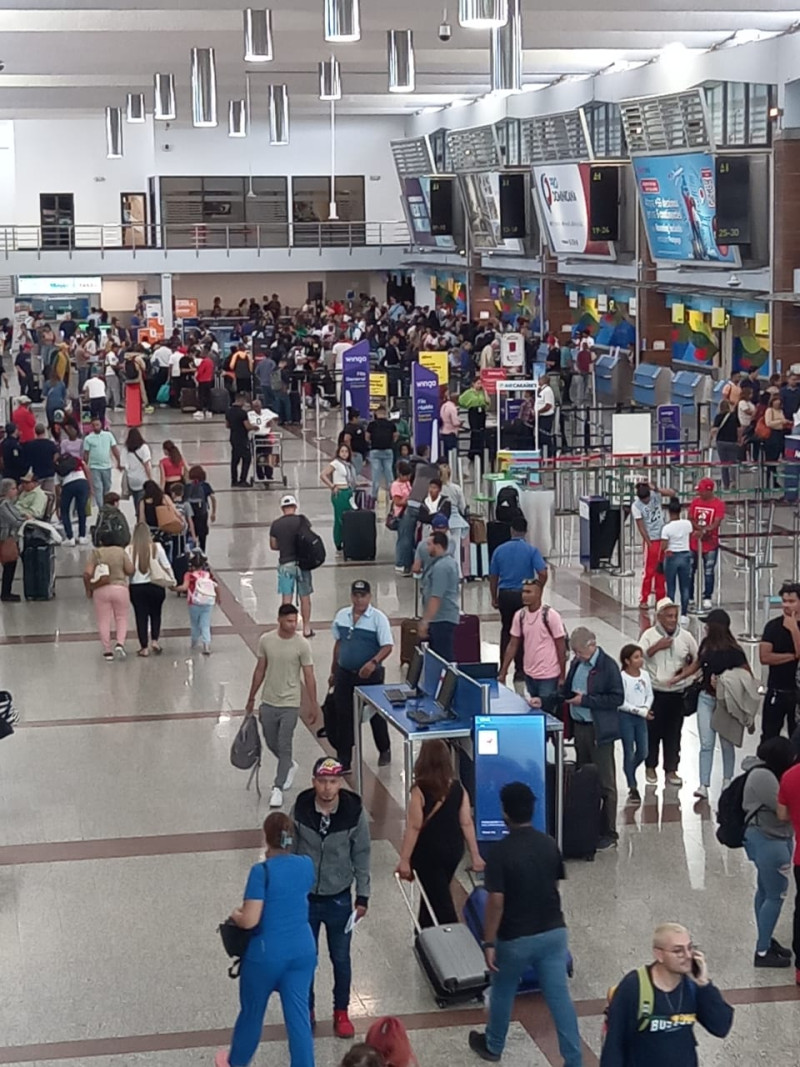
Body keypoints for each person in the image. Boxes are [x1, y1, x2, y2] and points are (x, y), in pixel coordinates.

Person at [467, 782, 581, 1067]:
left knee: (503, 987)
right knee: (559, 999)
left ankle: (493, 1045)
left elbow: (496, 902)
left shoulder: (501, 853)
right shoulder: (549, 843)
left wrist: (489, 941)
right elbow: (553, 884)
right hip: (553, 933)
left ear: (505, 812)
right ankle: (574, 1059)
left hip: (515, 938)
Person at [214, 812, 316, 1067]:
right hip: (302, 952)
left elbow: (250, 919)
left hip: (265, 955)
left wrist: (235, 914)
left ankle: (236, 1061)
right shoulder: (306, 864)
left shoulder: (261, 872)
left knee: (252, 1012)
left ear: (265, 837)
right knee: (299, 1018)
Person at [291, 756, 372, 1039]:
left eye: (333, 782)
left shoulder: (353, 811)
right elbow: (291, 845)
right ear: (314, 782)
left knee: (341, 957)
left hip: (339, 898)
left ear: (340, 783)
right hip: (306, 898)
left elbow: (361, 853)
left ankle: (341, 1011)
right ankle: (307, 1010)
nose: (327, 788)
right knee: (305, 958)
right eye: (322, 782)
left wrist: (363, 895)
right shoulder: (301, 808)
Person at [600, 922, 733, 1067]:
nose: (688, 956)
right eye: (678, 951)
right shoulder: (634, 987)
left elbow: (721, 1027)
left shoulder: (692, 986)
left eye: (690, 948)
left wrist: (704, 985)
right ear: (659, 955)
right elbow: (614, 1043)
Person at [395, 739, 484, 927]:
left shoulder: (419, 790)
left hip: (428, 853)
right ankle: (424, 936)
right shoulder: (458, 788)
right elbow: (466, 823)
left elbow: (414, 826)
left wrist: (404, 858)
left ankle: (450, 941)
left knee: (441, 902)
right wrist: (475, 855)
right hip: (453, 851)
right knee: (433, 893)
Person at [244, 603, 321, 809]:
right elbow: (260, 670)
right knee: (270, 740)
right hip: (269, 700)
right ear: (279, 619)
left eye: (295, 621)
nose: (293, 624)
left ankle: (277, 787)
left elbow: (309, 675)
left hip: (290, 703)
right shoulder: (266, 640)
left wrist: (314, 704)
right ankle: (289, 764)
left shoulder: (302, 644)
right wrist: (251, 696)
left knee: (285, 742)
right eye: (289, 620)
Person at [667, 608, 749, 799]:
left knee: (727, 742)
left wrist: (725, 680)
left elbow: (746, 675)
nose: (705, 627)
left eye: (708, 624)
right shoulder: (706, 645)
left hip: (726, 702)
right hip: (706, 698)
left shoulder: (734, 652)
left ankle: (727, 779)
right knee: (706, 742)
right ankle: (704, 784)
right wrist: (679, 677)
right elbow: (697, 664)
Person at [564, 626, 623, 850]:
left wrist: (586, 701)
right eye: (575, 653)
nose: (577, 657)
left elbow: (616, 698)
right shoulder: (576, 664)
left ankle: (609, 830)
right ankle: (588, 825)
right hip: (579, 729)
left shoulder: (608, 667)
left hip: (599, 731)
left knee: (605, 782)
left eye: (580, 652)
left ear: (592, 645)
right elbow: (567, 691)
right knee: (584, 778)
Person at [740, 737, 797, 968]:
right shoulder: (763, 776)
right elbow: (783, 807)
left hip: (769, 837)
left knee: (764, 890)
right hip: (769, 839)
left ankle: (765, 938)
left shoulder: (761, 772)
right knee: (775, 894)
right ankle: (762, 951)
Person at [328, 580, 392, 774]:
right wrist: (333, 670)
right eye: (356, 595)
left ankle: (384, 748)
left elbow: (387, 646)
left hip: (370, 676)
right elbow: (338, 644)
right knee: (343, 715)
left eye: (363, 595)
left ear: (369, 597)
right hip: (345, 674)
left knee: (375, 714)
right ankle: (344, 759)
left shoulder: (378, 619)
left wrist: (373, 663)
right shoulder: (342, 616)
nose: (359, 599)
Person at [641, 598, 698, 788]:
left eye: (675, 616)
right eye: (668, 616)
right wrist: (657, 647)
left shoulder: (686, 637)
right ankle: (650, 766)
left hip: (677, 693)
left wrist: (686, 673)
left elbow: (697, 660)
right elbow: (637, 659)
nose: (672, 620)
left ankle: (671, 769)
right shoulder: (648, 635)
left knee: (674, 733)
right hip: (655, 693)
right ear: (659, 617)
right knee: (653, 732)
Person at [489, 516, 548, 673]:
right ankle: (521, 669)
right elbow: (543, 572)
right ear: (526, 532)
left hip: (505, 595)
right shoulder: (531, 550)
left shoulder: (499, 550)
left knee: (507, 629)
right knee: (523, 631)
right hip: (523, 595)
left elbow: (493, 576)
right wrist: (537, 589)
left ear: (511, 530)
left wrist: (494, 597)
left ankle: (503, 667)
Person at [499, 578, 566, 712]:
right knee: (535, 711)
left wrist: (562, 676)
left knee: (547, 714)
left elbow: (561, 646)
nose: (524, 595)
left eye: (529, 592)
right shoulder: (520, 616)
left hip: (548, 676)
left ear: (539, 594)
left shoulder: (551, 616)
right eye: (523, 592)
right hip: (530, 675)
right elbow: (513, 644)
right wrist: (503, 671)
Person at [759, 581, 800, 742]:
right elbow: (765, 657)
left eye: (792, 601)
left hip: (797, 694)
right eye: (784, 601)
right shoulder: (772, 627)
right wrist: (792, 656)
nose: (787, 605)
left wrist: (794, 629)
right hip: (777, 690)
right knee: (769, 735)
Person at [83, 530, 134, 660]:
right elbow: (130, 570)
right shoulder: (120, 551)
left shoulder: (96, 553)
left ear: (101, 541)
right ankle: (120, 644)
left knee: (103, 620)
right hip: (120, 588)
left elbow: (87, 573)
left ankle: (107, 651)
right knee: (121, 617)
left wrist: (88, 589)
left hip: (101, 589)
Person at [269, 494, 314, 639]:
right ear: (295, 507)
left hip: (285, 564)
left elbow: (273, 545)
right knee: (305, 597)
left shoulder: (276, 524)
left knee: (286, 598)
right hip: (303, 564)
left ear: (282, 508)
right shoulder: (303, 521)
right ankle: (306, 628)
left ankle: (285, 628)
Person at [126, 521, 172, 656]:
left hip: (137, 587)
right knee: (156, 613)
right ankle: (155, 641)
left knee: (141, 616)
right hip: (155, 584)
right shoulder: (156, 547)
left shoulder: (129, 549)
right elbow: (166, 565)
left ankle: (144, 647)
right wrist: (172, 580)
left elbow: (127, 570)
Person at [618, 644, 654, 803]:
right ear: (627, 661)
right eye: (636, 657)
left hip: (641, 718)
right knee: (629, 750)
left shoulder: (645, 675)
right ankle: (632, 786)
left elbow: (649, 694)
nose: (640, 660)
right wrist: (639, 711)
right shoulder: (622, 677)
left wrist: (645, 708)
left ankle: (629, 769)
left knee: (643, 751)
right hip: (626, 717)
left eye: (640, 656)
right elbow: (621, 702)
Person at [631, 481, 675, 608]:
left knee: (661, 569)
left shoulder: (655, 495)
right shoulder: (636, 506)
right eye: (644, 500)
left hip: (663, 536)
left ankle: (661, 597)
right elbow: (640, 526)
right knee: (649, 570)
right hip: (652, 540)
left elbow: (672, 493)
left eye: (647, 499)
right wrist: (648, 542)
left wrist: (656, 488)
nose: (646, 501)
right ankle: (643, 598)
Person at [418, 531, 460, 663]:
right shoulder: (443, 563)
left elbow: (436, 597)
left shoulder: (441, 567)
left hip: (441, 618)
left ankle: (449, 682)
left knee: (442, 658)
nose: (426, 548)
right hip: (441, 617)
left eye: (429, 544)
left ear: (438, 546)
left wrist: (425, 622)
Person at [688, 477, 725, 609]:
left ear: (709, 491)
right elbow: (690, 518)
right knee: (690, 571)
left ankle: (707, 596)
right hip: (694, 543)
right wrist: (699, 530)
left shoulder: (718, 504)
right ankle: (690, 596)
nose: (699, 493)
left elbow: (716, 522)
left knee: (709, 571)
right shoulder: (695, 502)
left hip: (710, 544)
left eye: (702, 491)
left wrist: (704, 532)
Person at [176, 549, 218, 655]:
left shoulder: (189, 575)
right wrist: (218, 597)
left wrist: (174, 588)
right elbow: (216, 586)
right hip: (208, 602)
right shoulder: (207, 574)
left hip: (194, 603)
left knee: (195, 624)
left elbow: (184, 587)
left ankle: (194, 642)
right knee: (205, 624)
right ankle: (206, 645)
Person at [659, 499, 693, 624]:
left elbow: (663, 545)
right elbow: (692, 533)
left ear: (669, 511)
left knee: (671, 587)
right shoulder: (687, 524)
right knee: (685, 587)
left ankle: (670, 613)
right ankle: (684, 614)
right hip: (685, 555)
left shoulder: (666, 528)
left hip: (671, 555)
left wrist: (660, 558)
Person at [321, 443, 357, 553]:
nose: (344, 454)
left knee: (350, 517)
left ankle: (348, 539)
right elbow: (323, 475)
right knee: (340, 518)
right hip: (339, 492)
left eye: (346, 451)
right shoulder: (335, 463)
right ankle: (338, 541)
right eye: (342, 451)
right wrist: (332, 486)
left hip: (348, 492)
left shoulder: (349, 464)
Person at [83, 417, 120, 509]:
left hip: (107, 466)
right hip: (94, 467)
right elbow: (86, 454)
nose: (96, 427)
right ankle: (102, 509)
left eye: (97, 425)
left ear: (101, 425)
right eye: (94, 425)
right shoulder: (88, 438)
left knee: (107, 487)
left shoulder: (108, 435)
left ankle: (106, 503)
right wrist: (85, 467)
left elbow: (114, 449)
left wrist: (119, 461)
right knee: (98, 488)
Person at [55, 450, 90, 546]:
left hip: (68, 485)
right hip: (82, 483)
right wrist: (90, 487)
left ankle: (70, 538)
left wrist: (58, 503)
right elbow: (87, 469)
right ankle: (82, 536)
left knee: (65, 511)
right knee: (81, 510)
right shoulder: (77, 461)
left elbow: (57, 487)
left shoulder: (58, 468)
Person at [366, 403, 397, 502]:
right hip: (388, 450)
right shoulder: (391, 424)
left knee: (376, 474)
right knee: (389, 473)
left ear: (376, 413)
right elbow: (395, 436)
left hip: (375, 451)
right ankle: (393, 493)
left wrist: (372, 442)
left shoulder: (372, 424)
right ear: (385, 413)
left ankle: (374, 495)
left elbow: (367, 437)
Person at [0, 479, 23, 602]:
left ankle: (6, 591)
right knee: (9, 564)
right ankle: (5, 592)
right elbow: (14, 520)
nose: (16, 491)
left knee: (10, 565)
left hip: (9, 536)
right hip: (6, 538)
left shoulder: (9, 503)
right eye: (13, 489)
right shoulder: (4, 505)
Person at [122, 427, 153, 515]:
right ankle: (142, 520)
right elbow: (147, 464)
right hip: (143, 479)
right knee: (142, 502)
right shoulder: (144, 447)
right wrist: (150, 478)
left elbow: (123, 464)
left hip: (132, 480)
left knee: (136, 501)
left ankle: (138, 517)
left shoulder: (126, 449)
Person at [186, 464, 216, 552]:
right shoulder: (205, 485)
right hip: (202, 514)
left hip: (190, 516)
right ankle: (202, 555)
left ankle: (192, 555)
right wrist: (213, 512)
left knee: (191, 536)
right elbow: (213, 498)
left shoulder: (188, 486)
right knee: (202, 537)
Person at [764, 394, 791, 488]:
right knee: (770, 459)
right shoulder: (769, 410)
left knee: (776, 459)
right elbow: (768, 423)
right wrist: (780, 421)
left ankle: (774, 481)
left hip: (780, 433)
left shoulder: (780, 411)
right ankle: (768, 482)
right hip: (772, 435)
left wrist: (786, 422)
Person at [22, 423, 58, 493]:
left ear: (35, 432)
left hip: (37, 474)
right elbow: (56, 456)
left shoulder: (30, 445)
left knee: (38, 495)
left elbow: (28, 460)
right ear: (44, 431)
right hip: (49, 473)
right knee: (49, 496)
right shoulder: (50, 444)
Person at [227, 392, 253, 487]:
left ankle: (234, 480)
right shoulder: (242, 413)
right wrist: (255, 427)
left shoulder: (228, 411)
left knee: (235, 460)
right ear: (241, 400)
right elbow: (247, 426)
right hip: (242, 438)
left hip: (233, 437)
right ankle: (243, 480)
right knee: (247, 458)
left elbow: (227, 425)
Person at [390, 460, 412, 573]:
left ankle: (408, 561)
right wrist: (408, 501)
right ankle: (400, 562)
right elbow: (397, 502)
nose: (407, 478)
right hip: (402, 514)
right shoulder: (395, 485)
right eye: (405, 476)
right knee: (403, 539)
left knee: (409, 538)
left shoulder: (407, 483)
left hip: (410, 513)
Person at [339, 407, 368, 478]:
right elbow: (346, 439)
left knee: (356, 471)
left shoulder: (357, 426)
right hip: (355, 453)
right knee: (354, 471)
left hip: (359, 453)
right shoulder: (350, 428)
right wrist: (350, 451)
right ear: (354, 418)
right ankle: (351, 485)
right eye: (358, 417)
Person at [439, 390, 461, 459]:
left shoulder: (444, 406)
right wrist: (460, 423)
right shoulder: (452, 408)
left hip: (443, 431)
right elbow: (455, 423)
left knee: (446, 453)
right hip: (451, 433)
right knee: (453, 454)